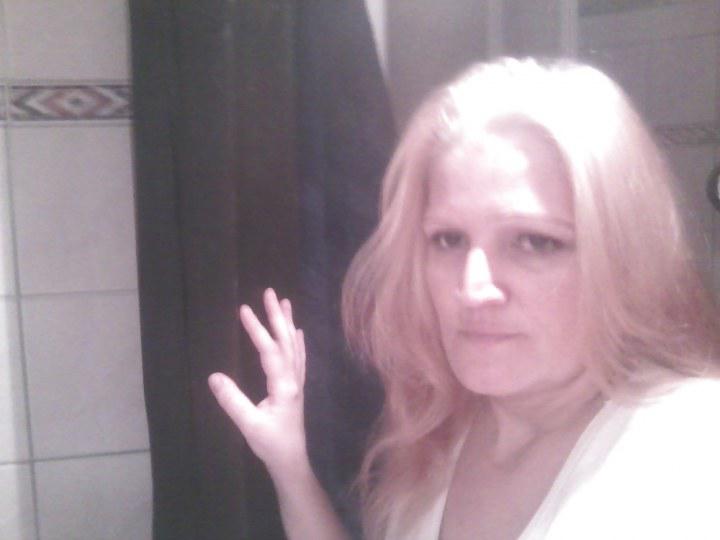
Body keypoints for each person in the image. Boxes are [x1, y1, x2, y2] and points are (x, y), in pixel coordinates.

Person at [208, 58, 720, 539]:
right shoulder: (446, 428)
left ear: (623, 258)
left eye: (534, 242)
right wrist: (289, 464)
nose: (471, 289)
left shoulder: (688, 442)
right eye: (448, 239)